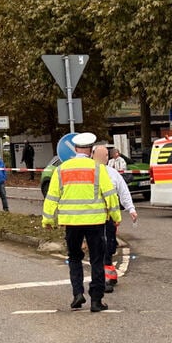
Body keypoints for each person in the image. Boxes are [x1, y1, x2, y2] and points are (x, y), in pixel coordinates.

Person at [42, 132, 121, 312]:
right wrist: (116, 217)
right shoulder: (98, 169)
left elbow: (52, 196)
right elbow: (110, 196)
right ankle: (96, 300)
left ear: (75, 149)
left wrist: (48, 219)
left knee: (75, 258)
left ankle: (78, 293)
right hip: (95, 222)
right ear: (91, 150)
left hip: (71, 223)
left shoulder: (62, 169)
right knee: (96, 259)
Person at [94, 144, 138, 293]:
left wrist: (131, 208)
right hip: (93, 218)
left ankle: (110, 276)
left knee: (109, 246)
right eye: (101, 155)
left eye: (106, 155)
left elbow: (123, 191)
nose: (104, 158)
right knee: (101, 247)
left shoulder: (113, 173)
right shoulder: (89, 173)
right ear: (93, 156)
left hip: (110, 218)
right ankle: (105, 279)